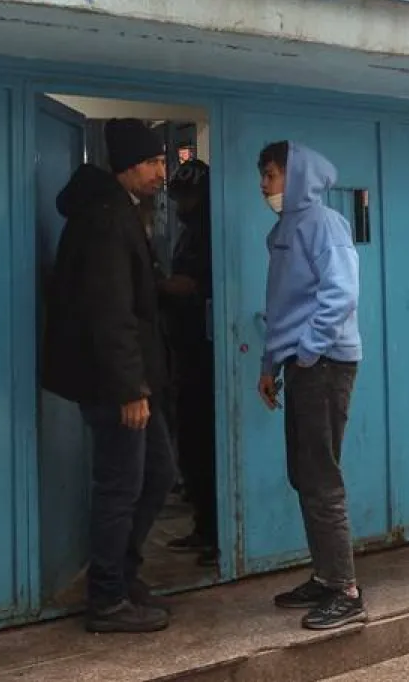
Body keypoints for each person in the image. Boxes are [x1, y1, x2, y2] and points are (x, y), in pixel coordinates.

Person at [42, 118, 176, 634]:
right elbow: (109, 311)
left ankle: (122, 574)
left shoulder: (118, 211)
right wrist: (129, 389)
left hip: (137, 380)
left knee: (158, 474)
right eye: (154, 163)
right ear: (128, 166)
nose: (162, 172)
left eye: (164, 162)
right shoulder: (104, 219)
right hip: (117, 385)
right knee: (120, 486)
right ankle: (107, 598)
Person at [255, 140, 366, 631]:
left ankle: (346, 591)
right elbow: (281, 305)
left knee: (320, 477)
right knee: (304, 474)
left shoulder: (323, 223)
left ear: (296, 175)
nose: (265, 184)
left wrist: (306, 350)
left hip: (324, 365)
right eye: (262, 175)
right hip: (302, 365)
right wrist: (271, 364)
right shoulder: (284, 229)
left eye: (273, 174)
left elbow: (340, 292)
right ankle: (325, 576)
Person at [161, 159, 218, 567]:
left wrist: (158, 286)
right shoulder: (189, 232)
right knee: (192, 445)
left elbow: (197, 284)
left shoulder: (211, 232)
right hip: (185, 349)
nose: (182, 203)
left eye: (187, 196)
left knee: (205, 444)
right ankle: (203, 526)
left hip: (205, 354)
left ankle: (216, 532)